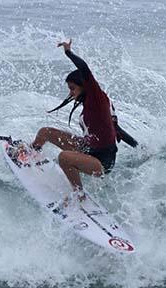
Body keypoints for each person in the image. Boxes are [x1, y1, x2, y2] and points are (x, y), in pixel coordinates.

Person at [30, 39, 118, 203]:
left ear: (85, 86)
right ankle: (30, 154)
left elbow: (84, 69)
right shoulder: (88, 104)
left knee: (65, 157)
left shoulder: (96, 98)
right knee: (45, 132)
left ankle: (79, 195)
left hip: (102, 162)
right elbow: (115, 129)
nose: (70, 93)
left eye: (72, 88)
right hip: (88, 148)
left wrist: (68, 52)